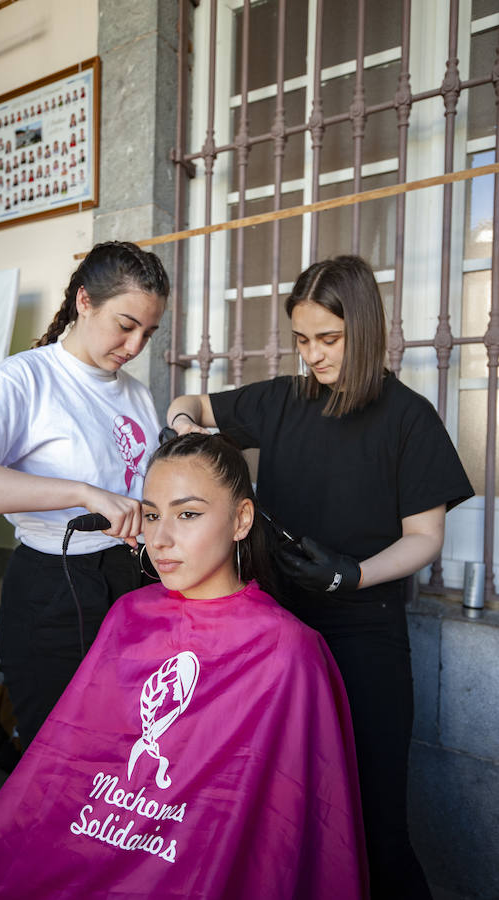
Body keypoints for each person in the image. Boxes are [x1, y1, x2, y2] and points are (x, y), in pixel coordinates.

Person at [0, 434, 369, 900]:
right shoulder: (130, 613)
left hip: (194, 866)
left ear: (241, 520)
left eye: (188, 514)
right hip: (95, 838)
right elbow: (71, 757)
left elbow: (292, 820)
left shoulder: (287, 649)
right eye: (152, 514)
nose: (160, 538)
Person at [165, 255, 474, 900]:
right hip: (276, 636)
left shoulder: (408, 417)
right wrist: (194, 440)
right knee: (280, 809)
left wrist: (353, 576)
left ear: (363, 329)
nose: (314, 356)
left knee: (376, 821)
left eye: (328, 340)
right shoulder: (281, 399)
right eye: (303, 340)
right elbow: (186, 403)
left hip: (366, 633)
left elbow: (425, 538)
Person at [0, 241, 170, 749]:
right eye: (125, 325)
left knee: (127, 744)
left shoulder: (136, 394)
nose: (134, 346)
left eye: (148, 333)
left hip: (130, 581)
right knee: (58, 753)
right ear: (85, 302)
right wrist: (84, 493)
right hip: (54, 588)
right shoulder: (26, 379)